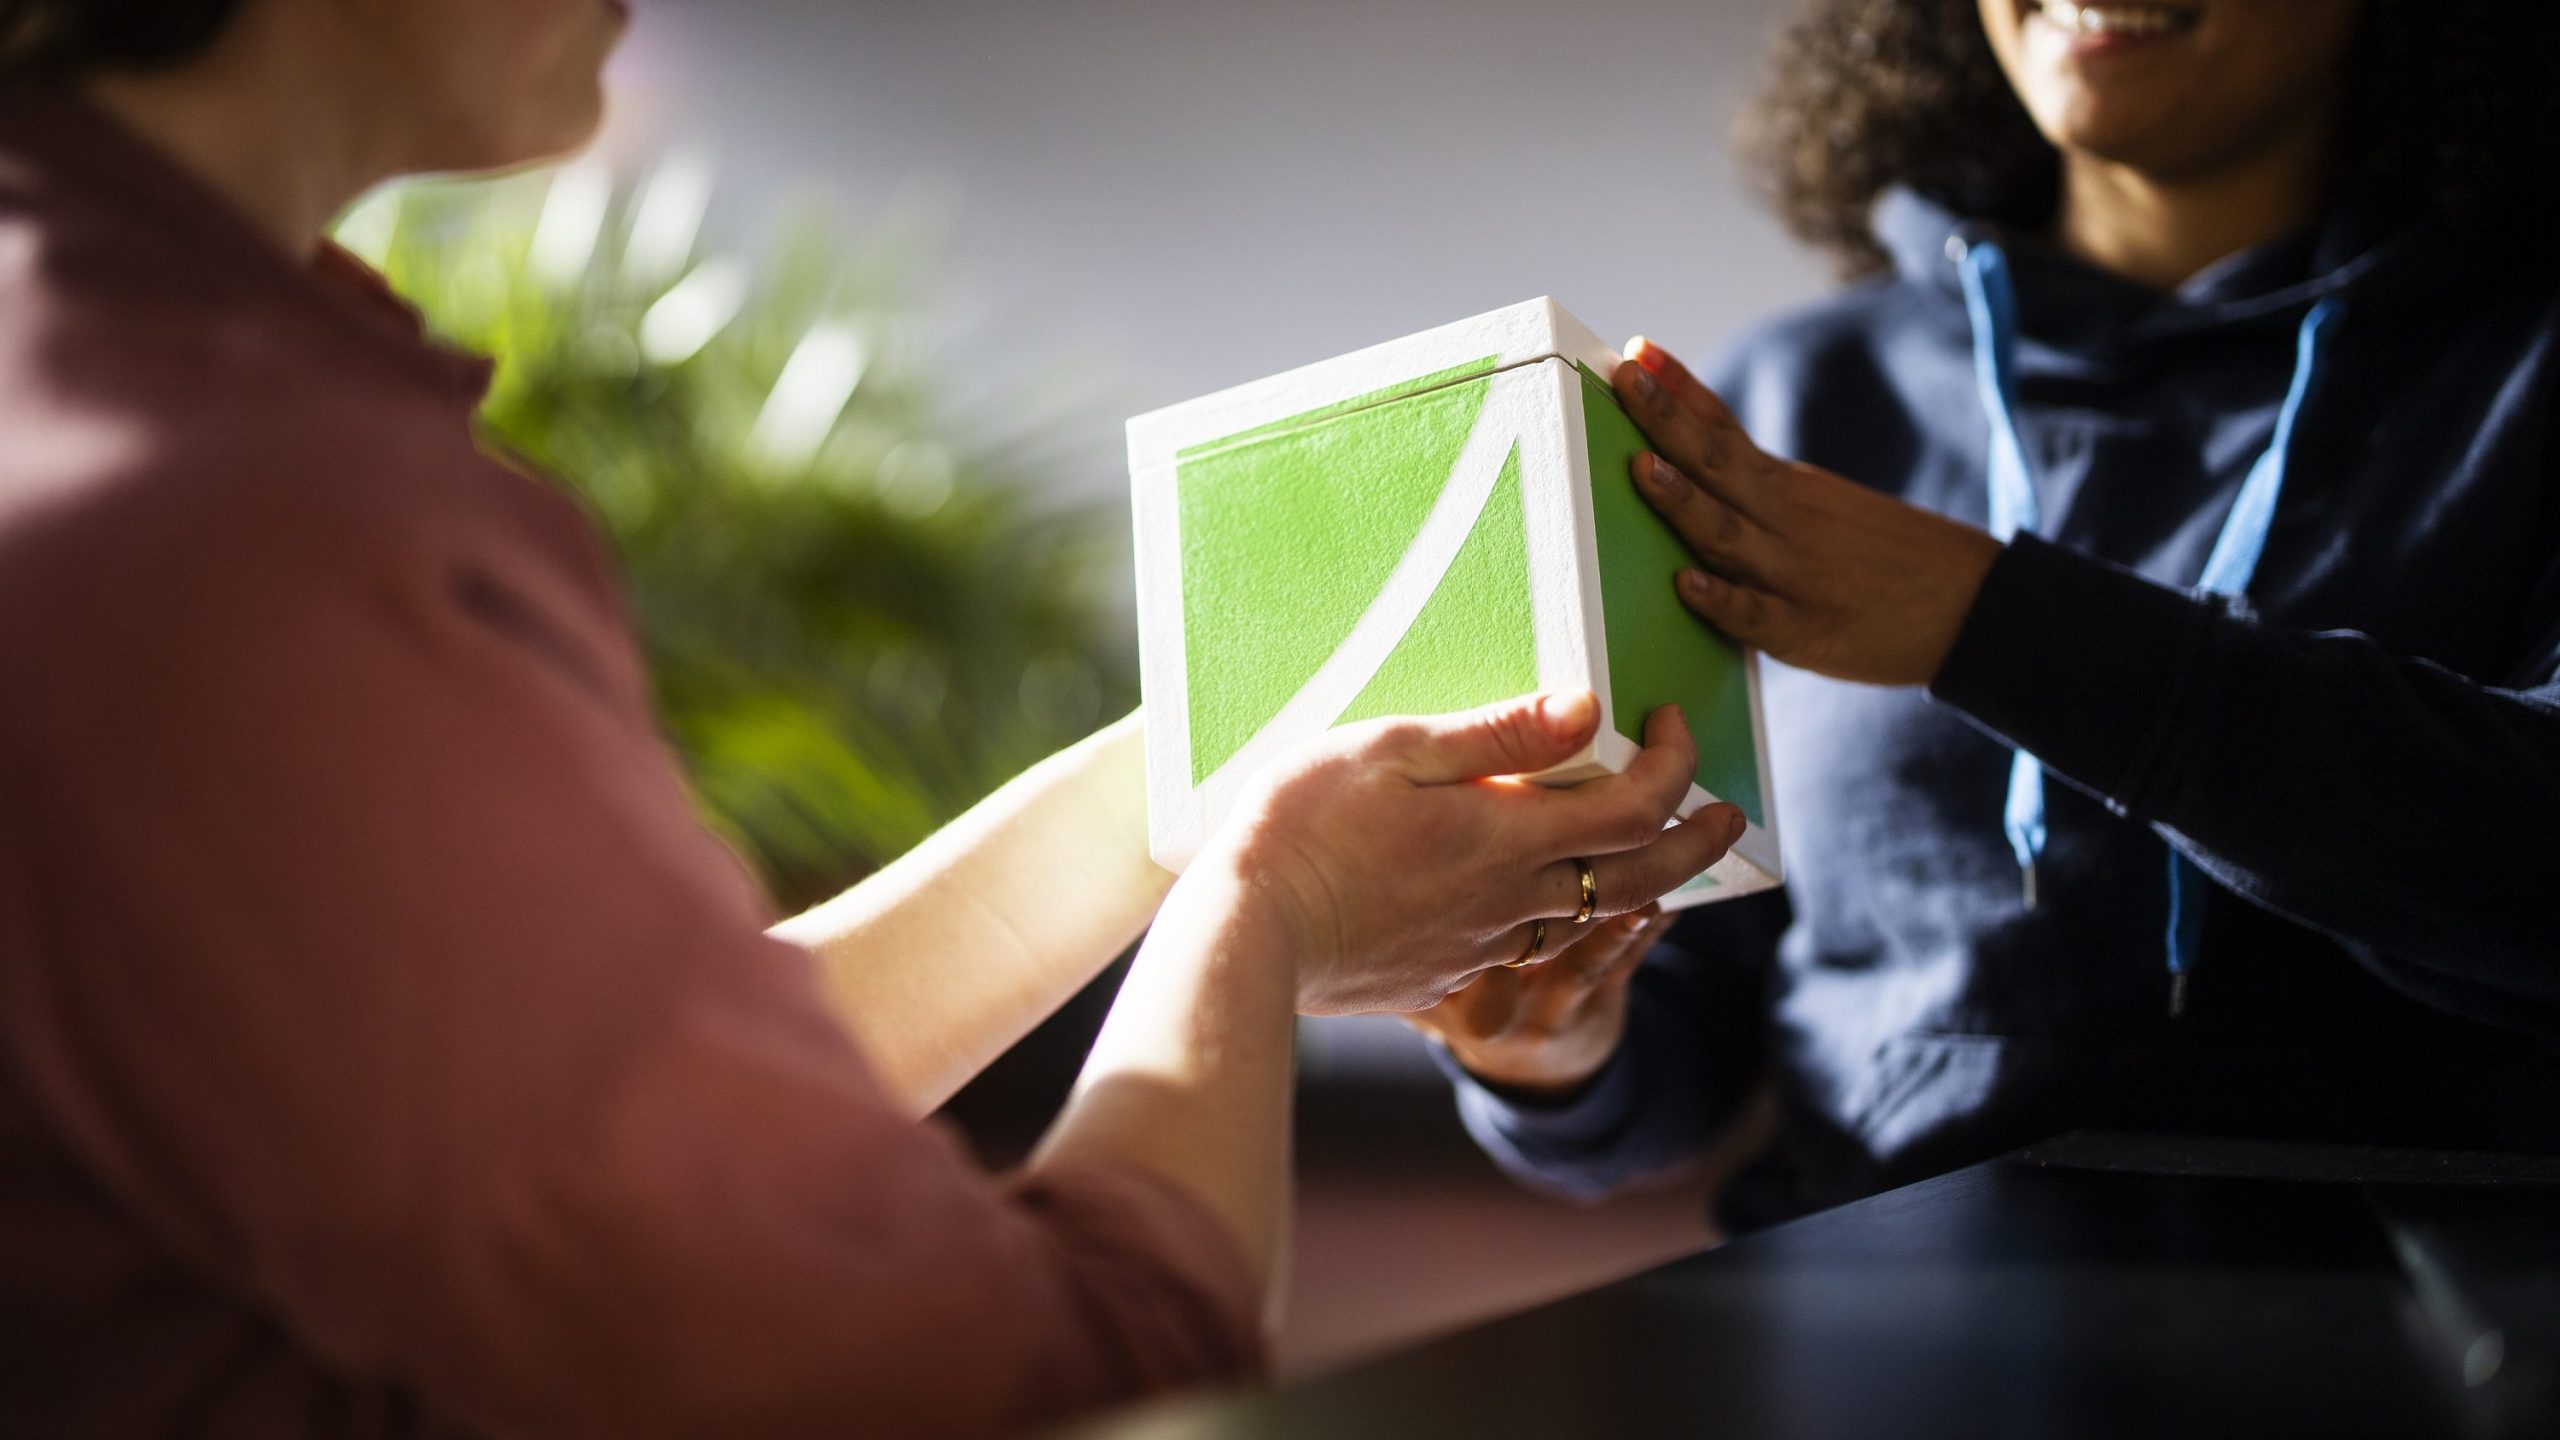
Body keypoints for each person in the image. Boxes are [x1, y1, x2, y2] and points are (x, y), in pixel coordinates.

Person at [0, 1, 1747, 1436]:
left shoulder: (107, 384)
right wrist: (1268, 906)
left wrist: (1218, 774)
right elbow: (1008, 1383)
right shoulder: (247, 521)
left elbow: (575, 1088)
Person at [1421, 0, 2560, 1229]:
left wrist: (1995, 623)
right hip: (1871, 1355)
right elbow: (1682, 1043)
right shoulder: (1794, 401)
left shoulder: (2526, 366)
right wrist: (1547, 1051)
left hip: (2418, 1353)